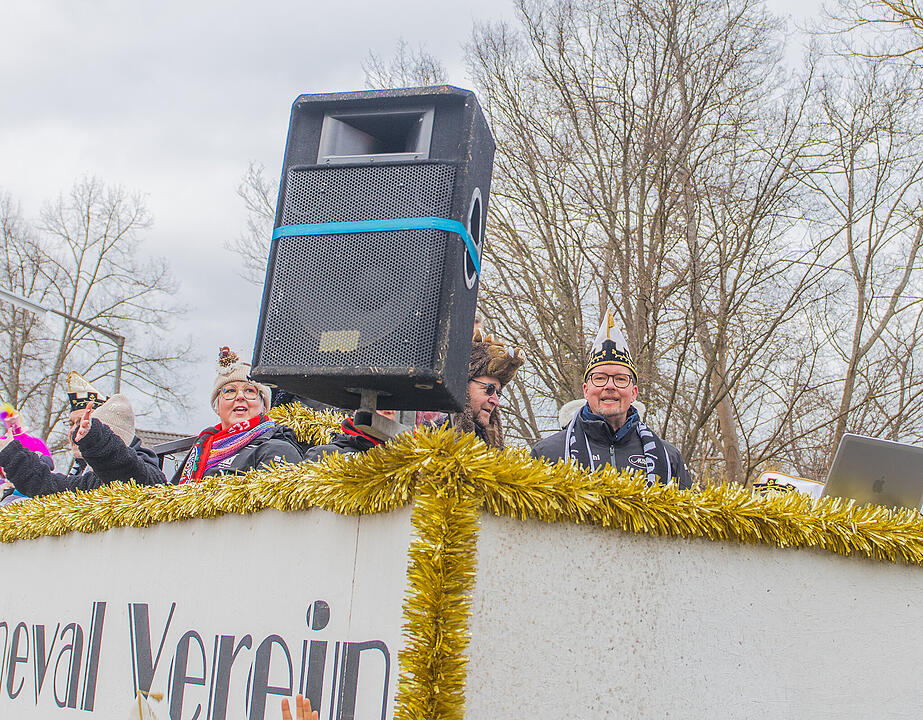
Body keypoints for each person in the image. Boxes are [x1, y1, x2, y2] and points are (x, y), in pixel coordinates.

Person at [531, 311, 692, 489]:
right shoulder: (548, 454)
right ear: (586, 390)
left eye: (620, 379)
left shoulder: (669, 459)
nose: (610, 386)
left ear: (634, 392)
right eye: (600, 378)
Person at [0, 386, 166, 498]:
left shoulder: (147, 474)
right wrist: (10, 453)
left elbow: (129, 477)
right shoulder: (91, 479)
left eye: (83, 425)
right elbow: (50, 488)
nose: (75, 432)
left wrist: (96, 440)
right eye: (72, 424)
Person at [174, 347, 304, 482]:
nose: (240, 397)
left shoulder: (277, 449)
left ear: (264, 407)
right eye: (230, 391)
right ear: (217, 406)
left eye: (249, 390)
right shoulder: (201, 448)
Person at [449, 331, 525, 450]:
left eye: (498, 393)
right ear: (463, 386)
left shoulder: (485, 446)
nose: (496, 401)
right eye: (489, 389)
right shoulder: (430, 435)